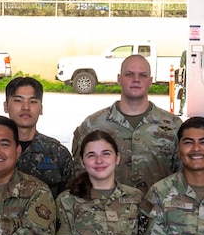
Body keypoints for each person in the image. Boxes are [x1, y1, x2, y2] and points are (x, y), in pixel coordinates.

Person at [71, 54, 181, 192]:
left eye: (142, 75)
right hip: (107, 211)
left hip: (158, 211)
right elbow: (79, 173)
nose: (136, 80)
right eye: (129, 74)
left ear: (150, 81)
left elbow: (183, 174)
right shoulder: (93, 125)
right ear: (119, 79)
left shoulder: (173, 125)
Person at [2, 75, 79, 193]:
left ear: (41, 108)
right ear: (6, 106)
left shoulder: (58, 154)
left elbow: (70, 200)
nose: (26, 107)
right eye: (18, 100)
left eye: (33, 101)